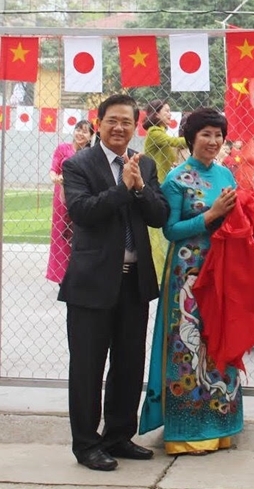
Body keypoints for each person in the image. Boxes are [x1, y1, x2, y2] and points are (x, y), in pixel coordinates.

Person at [58, 94, 169, 471]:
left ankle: (119, 435)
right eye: (112, 121)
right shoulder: (78, 165)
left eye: (126, 121)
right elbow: (82, 212)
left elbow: (158, 215)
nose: (119, 128)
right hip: (91, 283)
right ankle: (87, 444)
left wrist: (139, 188)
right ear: (99, 122)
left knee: (128, 362)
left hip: (133, 282)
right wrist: (122, 189)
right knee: (88, 367)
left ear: (136, 125)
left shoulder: (145, 163)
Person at [139, 108, 245, 456]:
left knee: (219, 340)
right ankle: (187, 430)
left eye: (218, 135)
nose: (213, 142)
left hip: (222, 273)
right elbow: (170, 230)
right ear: (191, 138)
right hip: (187, 278)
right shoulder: (176, 179)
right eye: (206, 135)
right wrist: (210, 215)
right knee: (189, 346)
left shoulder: (227, 174)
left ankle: (222, 425)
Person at [142, 99, 189, 278]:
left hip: (161, 185)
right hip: (154, 186)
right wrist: (196, 136)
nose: (170, 114)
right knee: (156, 233)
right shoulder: (155, 132)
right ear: (156, 114)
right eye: (166, 111)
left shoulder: (161, 132)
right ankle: (159, 272)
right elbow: (176, 142)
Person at [46, 119, 94, 284]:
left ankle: (78, 274)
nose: (80, 133)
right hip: (62, 199)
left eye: (85, 131)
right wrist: (56, 178)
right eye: (78, 129)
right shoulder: (62, 149)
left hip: (81, 198)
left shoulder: (90, 155)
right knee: (61, 235)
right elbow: (53, 170)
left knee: (80, 235)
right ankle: (61, 276)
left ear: (91, 136)